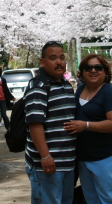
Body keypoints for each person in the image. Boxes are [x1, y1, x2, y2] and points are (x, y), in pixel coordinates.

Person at [64, 54, 112, 204]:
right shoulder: (80, 90)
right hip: (84, 157)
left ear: (105, 72)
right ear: (82, 72)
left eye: (98, 67)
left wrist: (86, 125)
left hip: (106, 156)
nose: (93, 70)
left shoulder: (110, 94)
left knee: (109, 199)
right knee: (90, 198)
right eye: (88, 67)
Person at [24, 41, 76, 204]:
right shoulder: (38, 86)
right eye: (53, 58)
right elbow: (35, 124)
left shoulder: (66, 85)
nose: (59, 62)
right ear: (42, 62)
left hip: (67, 162)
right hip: (46, 165)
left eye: (62, 58)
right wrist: (45, 156)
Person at [0, 66, 15, 134]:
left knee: (3, 114)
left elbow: (6, 90)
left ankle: (8, 127)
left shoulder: (3, 80)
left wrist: (11, 97)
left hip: (2, 99)